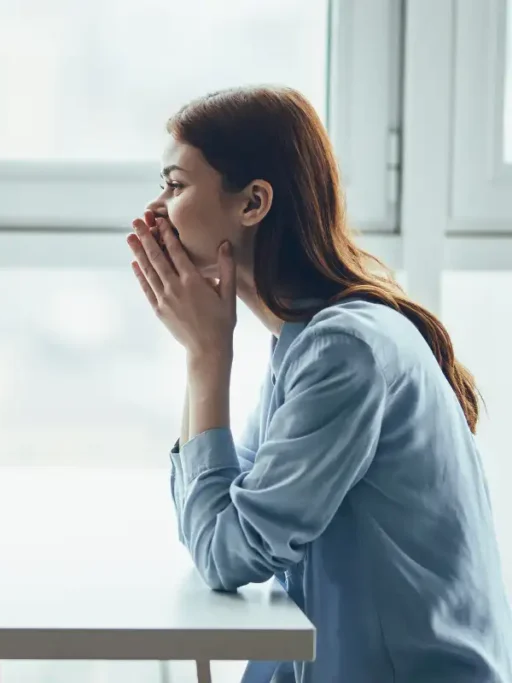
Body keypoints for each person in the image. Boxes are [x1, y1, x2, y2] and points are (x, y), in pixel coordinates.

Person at [127, 86, 512, 683]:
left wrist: (207, 355)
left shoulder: (343, 352)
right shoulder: (305, 343)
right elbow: (217, 522)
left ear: (253, 203)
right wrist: (202, 350)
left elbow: (226, 552)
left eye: (175, 186)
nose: (153, 212)